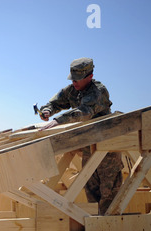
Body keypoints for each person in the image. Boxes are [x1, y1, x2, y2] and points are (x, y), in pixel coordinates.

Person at [38, 58, 124, 215]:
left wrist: (59, 120)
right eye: (73, 79)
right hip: (89, 146)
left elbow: (85, 112)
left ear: (89, 77)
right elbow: (56, 102)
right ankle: (97, 228)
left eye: (78, 80)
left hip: (107, 149)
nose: (74, 83)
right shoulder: (73, 90)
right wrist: (47, 111)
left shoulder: (98, 91)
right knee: (91, 190)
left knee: (109, 193)